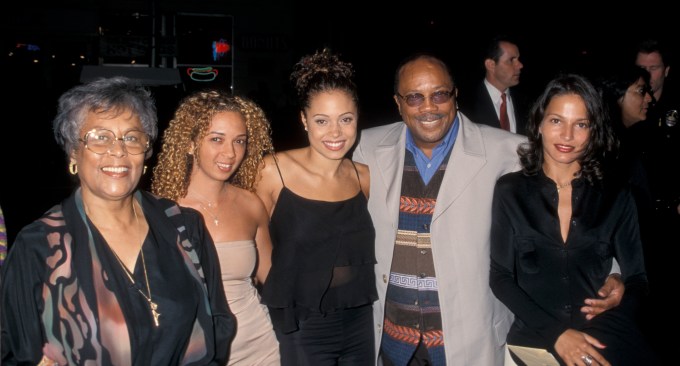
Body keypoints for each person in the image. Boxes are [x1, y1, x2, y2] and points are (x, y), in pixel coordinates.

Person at [353, 54, 625, 365]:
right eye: (414, 97)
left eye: (439, 94)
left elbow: (576, 192)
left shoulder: (507, 150)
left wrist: (612, 270)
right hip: (393, 343)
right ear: (398, 103)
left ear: (455, 96)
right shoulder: (367, 148)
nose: (428, 106)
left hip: (469, 340)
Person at [1, 77, 234, 365]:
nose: (118, 151)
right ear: (74, 151)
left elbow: (217, 327)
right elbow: (13, 350)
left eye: (132, 137)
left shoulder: (183, 228)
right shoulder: (40, 246)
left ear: (145, 154)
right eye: (100, 137)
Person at [489, 74, 657, 366]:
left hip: (599, 343)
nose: (567, 136)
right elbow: (500, 277)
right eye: (556, 121)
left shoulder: (617, 194)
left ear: (594, 131)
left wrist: (619, 297)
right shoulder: (510, 191)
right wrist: (557, 334)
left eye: (581, 124)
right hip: (532, 348)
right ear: (539, 123)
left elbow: (638, 280)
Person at [255, 48, 377, 365]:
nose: (335, 133)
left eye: (345, 120)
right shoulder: (272, 171)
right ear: (304, 120)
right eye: (322, 121)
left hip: (360, 320)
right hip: (300, 323)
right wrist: (283, 300)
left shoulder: (363, 176)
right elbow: (254, 243)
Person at [152, 90, 280, 365]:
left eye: (239, 141)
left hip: (261, 348)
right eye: (216, 139)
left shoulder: (250, 204)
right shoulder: (162, 212)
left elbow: (274, 282)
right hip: (194, 351)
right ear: (189, 143)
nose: (230, 153)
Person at [459, 35, 529, 134]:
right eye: (511, 60)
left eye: (518, 59)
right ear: (491, 65)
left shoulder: (527, 102)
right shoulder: (465, 104)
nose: (520, 65)